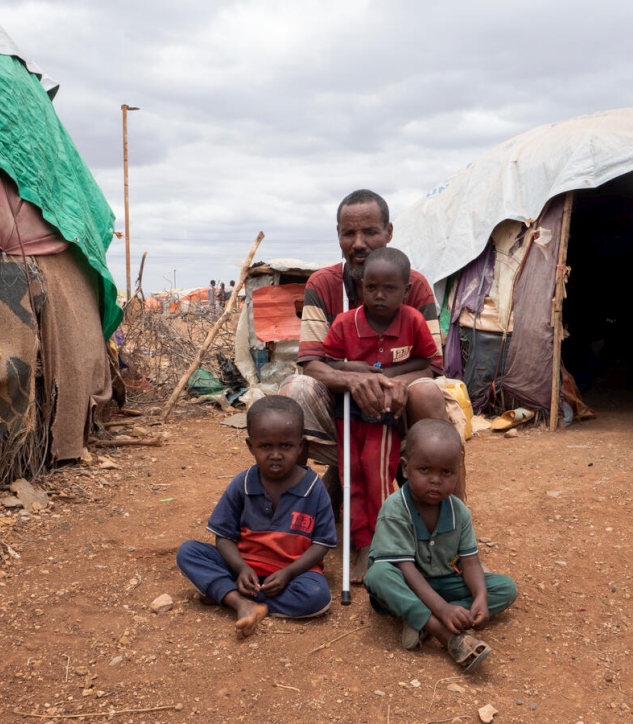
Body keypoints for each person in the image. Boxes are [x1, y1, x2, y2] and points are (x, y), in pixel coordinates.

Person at [279, 189, 466, 499]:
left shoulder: (413, 286)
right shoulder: (323, 284)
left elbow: (431, 366)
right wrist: (356, 381)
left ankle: (450, 518)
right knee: (294, 389)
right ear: (338, 236)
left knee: (425, 391)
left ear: (388, 232)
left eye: (369, 231)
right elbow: (312, 365)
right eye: (348, 233)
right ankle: (293, 508)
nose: (359, 243)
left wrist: (380, 382)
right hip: (344, 410)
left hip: (400, 408)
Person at [322, 247, 440, 582]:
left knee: (377, 475)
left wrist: (387, 374)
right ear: (361, 287)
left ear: (405, 291)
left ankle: (383, 541)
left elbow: (425, 363)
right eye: (371, 287)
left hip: (384, 418)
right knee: (351, 476)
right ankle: (362, 542)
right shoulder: (346, 323)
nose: (379, 295)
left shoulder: (412, 321)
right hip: (348, 415)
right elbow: (329, 363)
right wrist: (357, 369)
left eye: (390, 289)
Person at [176, 396, 337, 637]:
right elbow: (224, 537)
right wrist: (240, 568)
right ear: (251, 446)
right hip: (244, 569)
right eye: (265, 446)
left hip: (292, 573)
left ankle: (228, 595)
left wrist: (288, 573)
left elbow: (321, 544)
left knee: (317, 597)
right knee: (189, 552)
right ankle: (242, 602)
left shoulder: (314, 489)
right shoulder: (242, 484)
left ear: (301, 446)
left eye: (286, 446)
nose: (275, 455)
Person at [364, 419, 517, 673]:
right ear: (405, 468)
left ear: (457, 472)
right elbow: (406, 569)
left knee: (505, 588)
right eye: (425, 470)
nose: (435, 480)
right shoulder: (395, 509)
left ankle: (419, 618)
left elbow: (470, 562)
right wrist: (443, 609)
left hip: (442, 582)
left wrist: (480, 598)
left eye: (446, 473)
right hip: (403, 583)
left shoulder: (459, 512)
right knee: (378, 575)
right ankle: (443, 633)